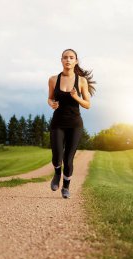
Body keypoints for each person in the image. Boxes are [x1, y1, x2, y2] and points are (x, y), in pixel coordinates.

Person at [47, 48, 96, 198]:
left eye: (71, 57)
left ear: (76, 61)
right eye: (65, 57)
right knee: (56, 155)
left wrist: (76, 97)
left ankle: (66, 187)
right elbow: (49, 98)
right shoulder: (53, 79)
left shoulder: (81, 81)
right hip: (58, 123)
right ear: (61, 60)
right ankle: (57, 174)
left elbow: (88, 104)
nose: (68, 60)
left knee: (68, 159)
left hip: (75, 124)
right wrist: (51, 104)